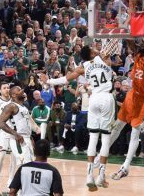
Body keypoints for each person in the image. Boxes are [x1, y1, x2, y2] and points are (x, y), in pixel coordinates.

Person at [41, 45, 116, 190]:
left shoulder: (83, 66)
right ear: (93, 52)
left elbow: (66, 78)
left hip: (93, 99)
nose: (97, 48)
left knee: (93, 137)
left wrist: (48, 81)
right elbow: (110, 49)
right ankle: (101, 176)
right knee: (105, 137)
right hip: (106, 98)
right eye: (95, 49)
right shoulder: (104, 57)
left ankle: (89, 175)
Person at [94, 38, 144, 180]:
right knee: (117, 126)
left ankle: (125, 167)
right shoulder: (139, 54)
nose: (140, 44)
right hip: (131, 95)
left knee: (135, 133)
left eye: (143, 42)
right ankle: (101, 155)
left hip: (143, 99)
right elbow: (130, 43)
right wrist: (127, 29)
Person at [0, 86, 40, 168]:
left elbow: (26, 124)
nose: (23, 91)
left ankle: (14, 180)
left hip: (26, 138)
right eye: (19, 90)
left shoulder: (23, 107)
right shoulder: (11, 106)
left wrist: (30, 137)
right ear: (13, 95)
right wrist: (16, 134)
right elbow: (0, 123)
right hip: (18, 139)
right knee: (25, 166)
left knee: (29, 165)